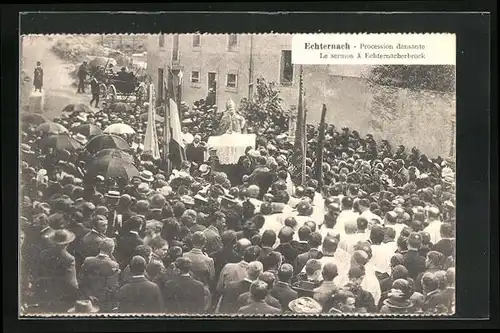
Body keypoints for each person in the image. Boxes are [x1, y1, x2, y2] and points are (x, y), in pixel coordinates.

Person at [35, 229, 79, 312]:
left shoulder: (43, 253)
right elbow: (71, 282)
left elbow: (38, 272)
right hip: (61, 296)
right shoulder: (69, 259)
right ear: (67, 243)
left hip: (45, 291)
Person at [79, 238, 121, 312]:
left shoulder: (88, 260)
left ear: (100, 247)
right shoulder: (113, 265)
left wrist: (89, 294)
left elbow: (81, 280)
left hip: (87, 299)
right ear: (112, 250)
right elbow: (112, 287)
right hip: (103, 302)